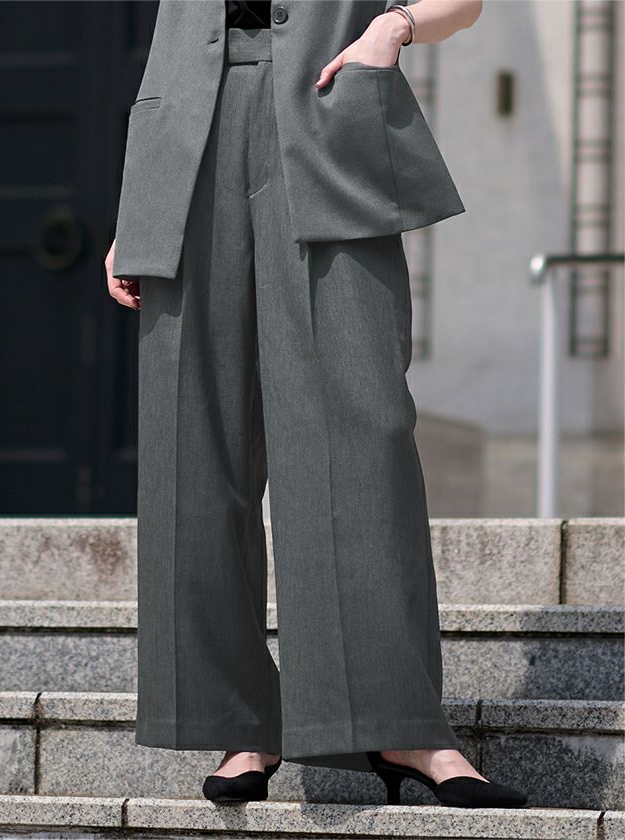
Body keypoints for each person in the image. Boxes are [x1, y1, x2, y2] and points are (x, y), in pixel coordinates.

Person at [105, 0, 528, 809]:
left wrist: (393, 27)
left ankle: (400, 724)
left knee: (361, 433)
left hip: (328, 109)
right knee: (193, 447)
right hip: (184, 143)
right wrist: (139, 206)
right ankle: (241, 721)